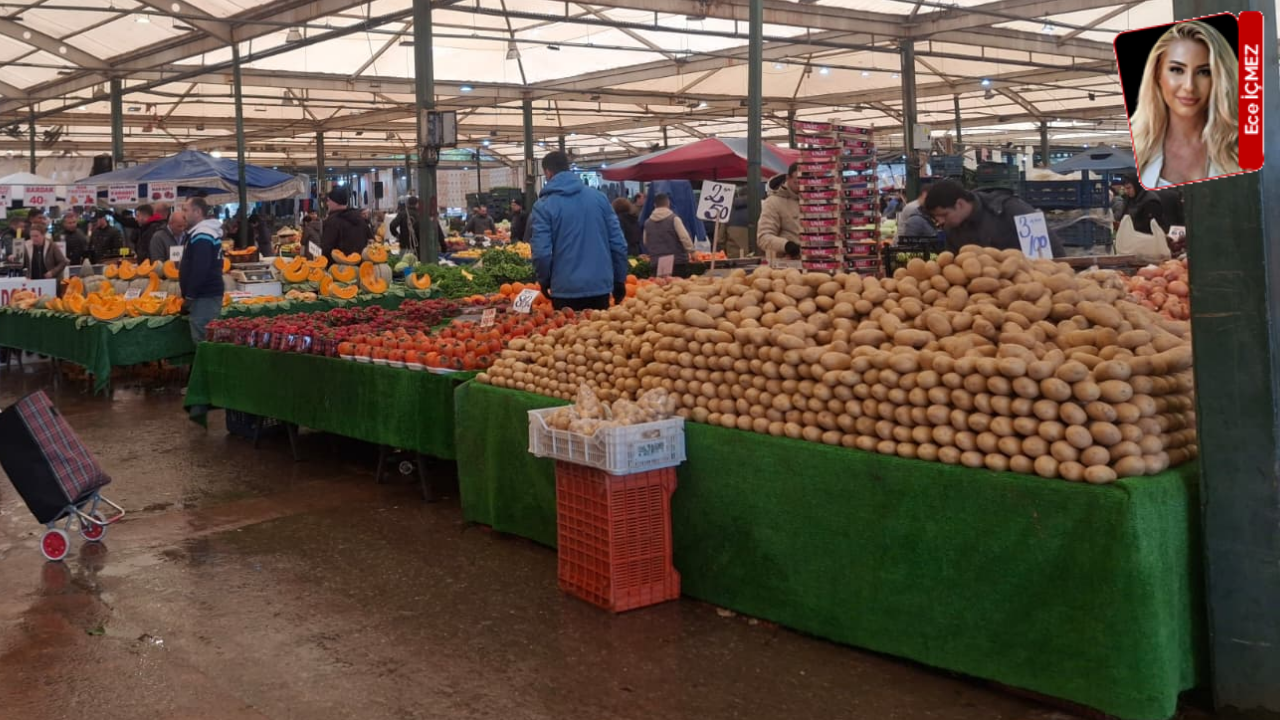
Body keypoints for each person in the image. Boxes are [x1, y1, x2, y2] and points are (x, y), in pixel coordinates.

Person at [1131, 20, 1240, 187]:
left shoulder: (1244, 148)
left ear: (1220, 79)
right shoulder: (1138, 149)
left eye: (1204, 72)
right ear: (1157, 75)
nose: (1189, 86)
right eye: (1177, 70)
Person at [530, 150, 628, 312]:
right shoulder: (600, 199)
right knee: (599, 334)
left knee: (569, 336)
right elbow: (618, 244)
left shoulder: (544, 206)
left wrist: (545, 280)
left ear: (548, 172)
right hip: (600, 287)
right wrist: (619, 280)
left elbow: (542, 253)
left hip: (565, 290)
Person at [923, 179, 1065, 257]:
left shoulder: (1011, 209)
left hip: (1029, 288)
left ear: (959, 204)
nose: (940, 221)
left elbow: (1050, 250)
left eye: (944, 215)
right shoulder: (951, 229)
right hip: (981, 298)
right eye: (936, 217)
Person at [178, 197, 225, 344]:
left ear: (197, 212)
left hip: (205, 296)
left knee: (204, 341)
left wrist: (190, 296)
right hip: (205, 295)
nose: (182, 214)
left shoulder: (202, 235)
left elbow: (200, 268)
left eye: (185, 210)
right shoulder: (200, 233)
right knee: (205, 338)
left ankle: (208, 367)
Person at [757, 164, 802, 263]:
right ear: (788, 178)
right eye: (798, 182)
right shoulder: (773, 202)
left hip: (818, 264)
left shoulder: (817, 201)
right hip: (787, 265)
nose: (803, 185)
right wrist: (786, 245)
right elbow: (763, 238)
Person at [643, 193, 695, 276]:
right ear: (668, 203)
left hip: (656, 262)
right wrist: (692, 252)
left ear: (654, 205)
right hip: (677, 262)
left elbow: (646, 241)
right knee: (678, 287)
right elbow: (684, 238)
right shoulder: (674, 219)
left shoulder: (647, 223)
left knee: (659, 287)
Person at [319, 187, 369, 262]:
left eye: (329, 200)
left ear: (335, 201)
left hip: (338, 268)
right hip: (360, 266)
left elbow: (326, 248)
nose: (327, 203)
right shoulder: (360, 219)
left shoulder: (333, 222)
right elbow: (370, 241)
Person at [714, 192, 751, 259]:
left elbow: (720, 239)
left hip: (733, 257)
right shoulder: (758, 210)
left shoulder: (728, 212)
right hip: (753, 257)